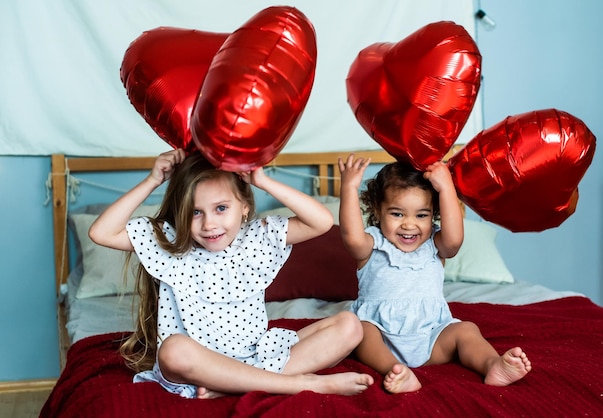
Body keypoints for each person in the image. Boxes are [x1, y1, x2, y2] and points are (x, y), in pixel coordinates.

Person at [89, 149, 374, 399]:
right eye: (195, 212)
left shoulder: (258, 237)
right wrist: (153, 180)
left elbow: (321, 222)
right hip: (200, 363)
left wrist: (263, 181)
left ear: (245, 207)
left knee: (350, 325)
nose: (209, 224)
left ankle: (232, 385)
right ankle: (298, 384)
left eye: (221, 208)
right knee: (173, 350)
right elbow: (101, 232)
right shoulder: (170, 242)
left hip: (256, 355)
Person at [338, 154, 531, 394]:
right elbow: (351, 237)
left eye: (421, 215)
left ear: (434, 214)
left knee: (466, 330)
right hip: (383, 338)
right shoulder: (371, 245)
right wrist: (348, 187)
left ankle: (492, 364)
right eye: (397, 214)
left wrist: (447, 188)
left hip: (432, 337)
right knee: (363, 331)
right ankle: (396, 370)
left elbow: (455, 241)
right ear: (378, 210)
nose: (409, 224)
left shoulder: (435, 244)